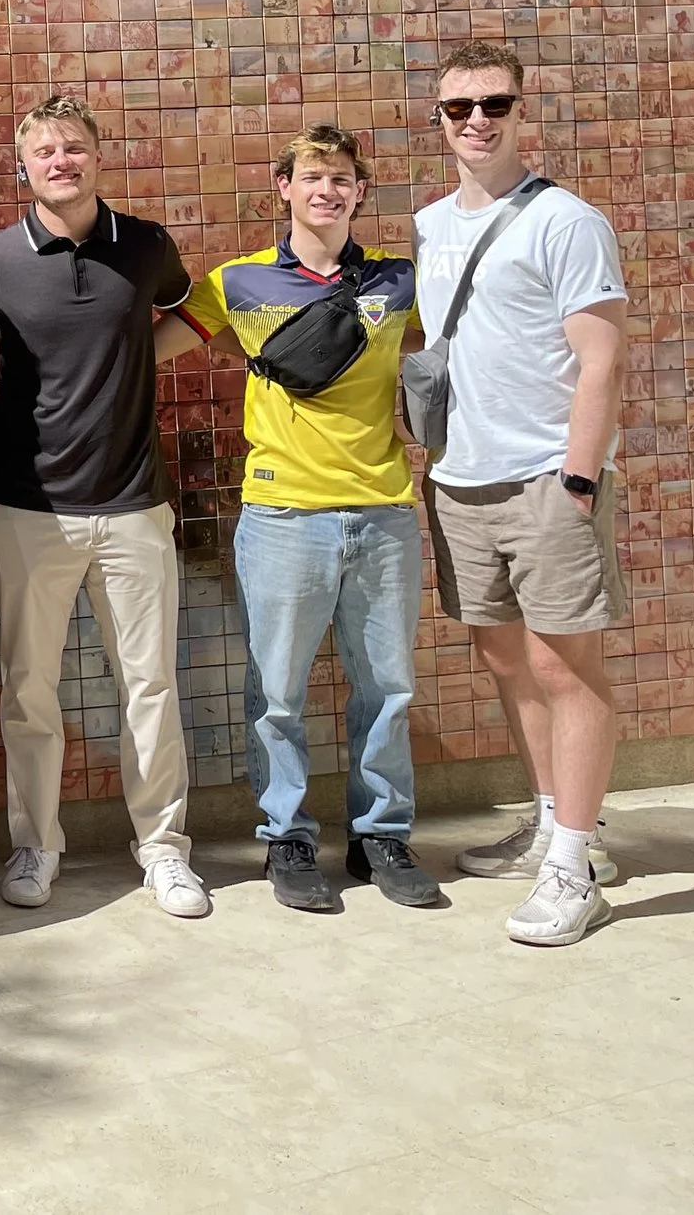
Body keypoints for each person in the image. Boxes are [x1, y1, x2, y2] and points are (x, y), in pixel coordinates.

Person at [157, 129, 444, 912]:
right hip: (283, 512)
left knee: (387, 688)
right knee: (278, 692)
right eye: (312, 175)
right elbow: (143, 351)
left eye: (342, 177)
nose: (327, 189)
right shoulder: (237, 282)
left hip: (383, 509)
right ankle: (286, 836)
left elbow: (456, 345)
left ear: (360, 191)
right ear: (282, 186)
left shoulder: (397, 281)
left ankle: (381, 836)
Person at [0, 93, 211, 918]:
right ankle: (36, 844)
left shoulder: (145, 245)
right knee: (30, 688)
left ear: (97, 157)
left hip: (135, 503)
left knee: (150, 685)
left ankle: (164, 850)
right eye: (45, 152)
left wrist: (134, 358)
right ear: (23, 167)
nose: (60, 162)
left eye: (73, 148)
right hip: (29, 508)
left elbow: (190, 314)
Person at [415, 43, 631, 947]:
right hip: (460, 481)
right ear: (438, 118)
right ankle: (550, 821)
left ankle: (577, 860)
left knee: (563, 666)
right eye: (458, 107)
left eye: (494, 104)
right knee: (504, 658)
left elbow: (601, 358)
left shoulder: (566, 221)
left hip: (548, 478)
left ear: (519, 111)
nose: (477, 121)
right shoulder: (429, 225)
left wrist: (578, 478)